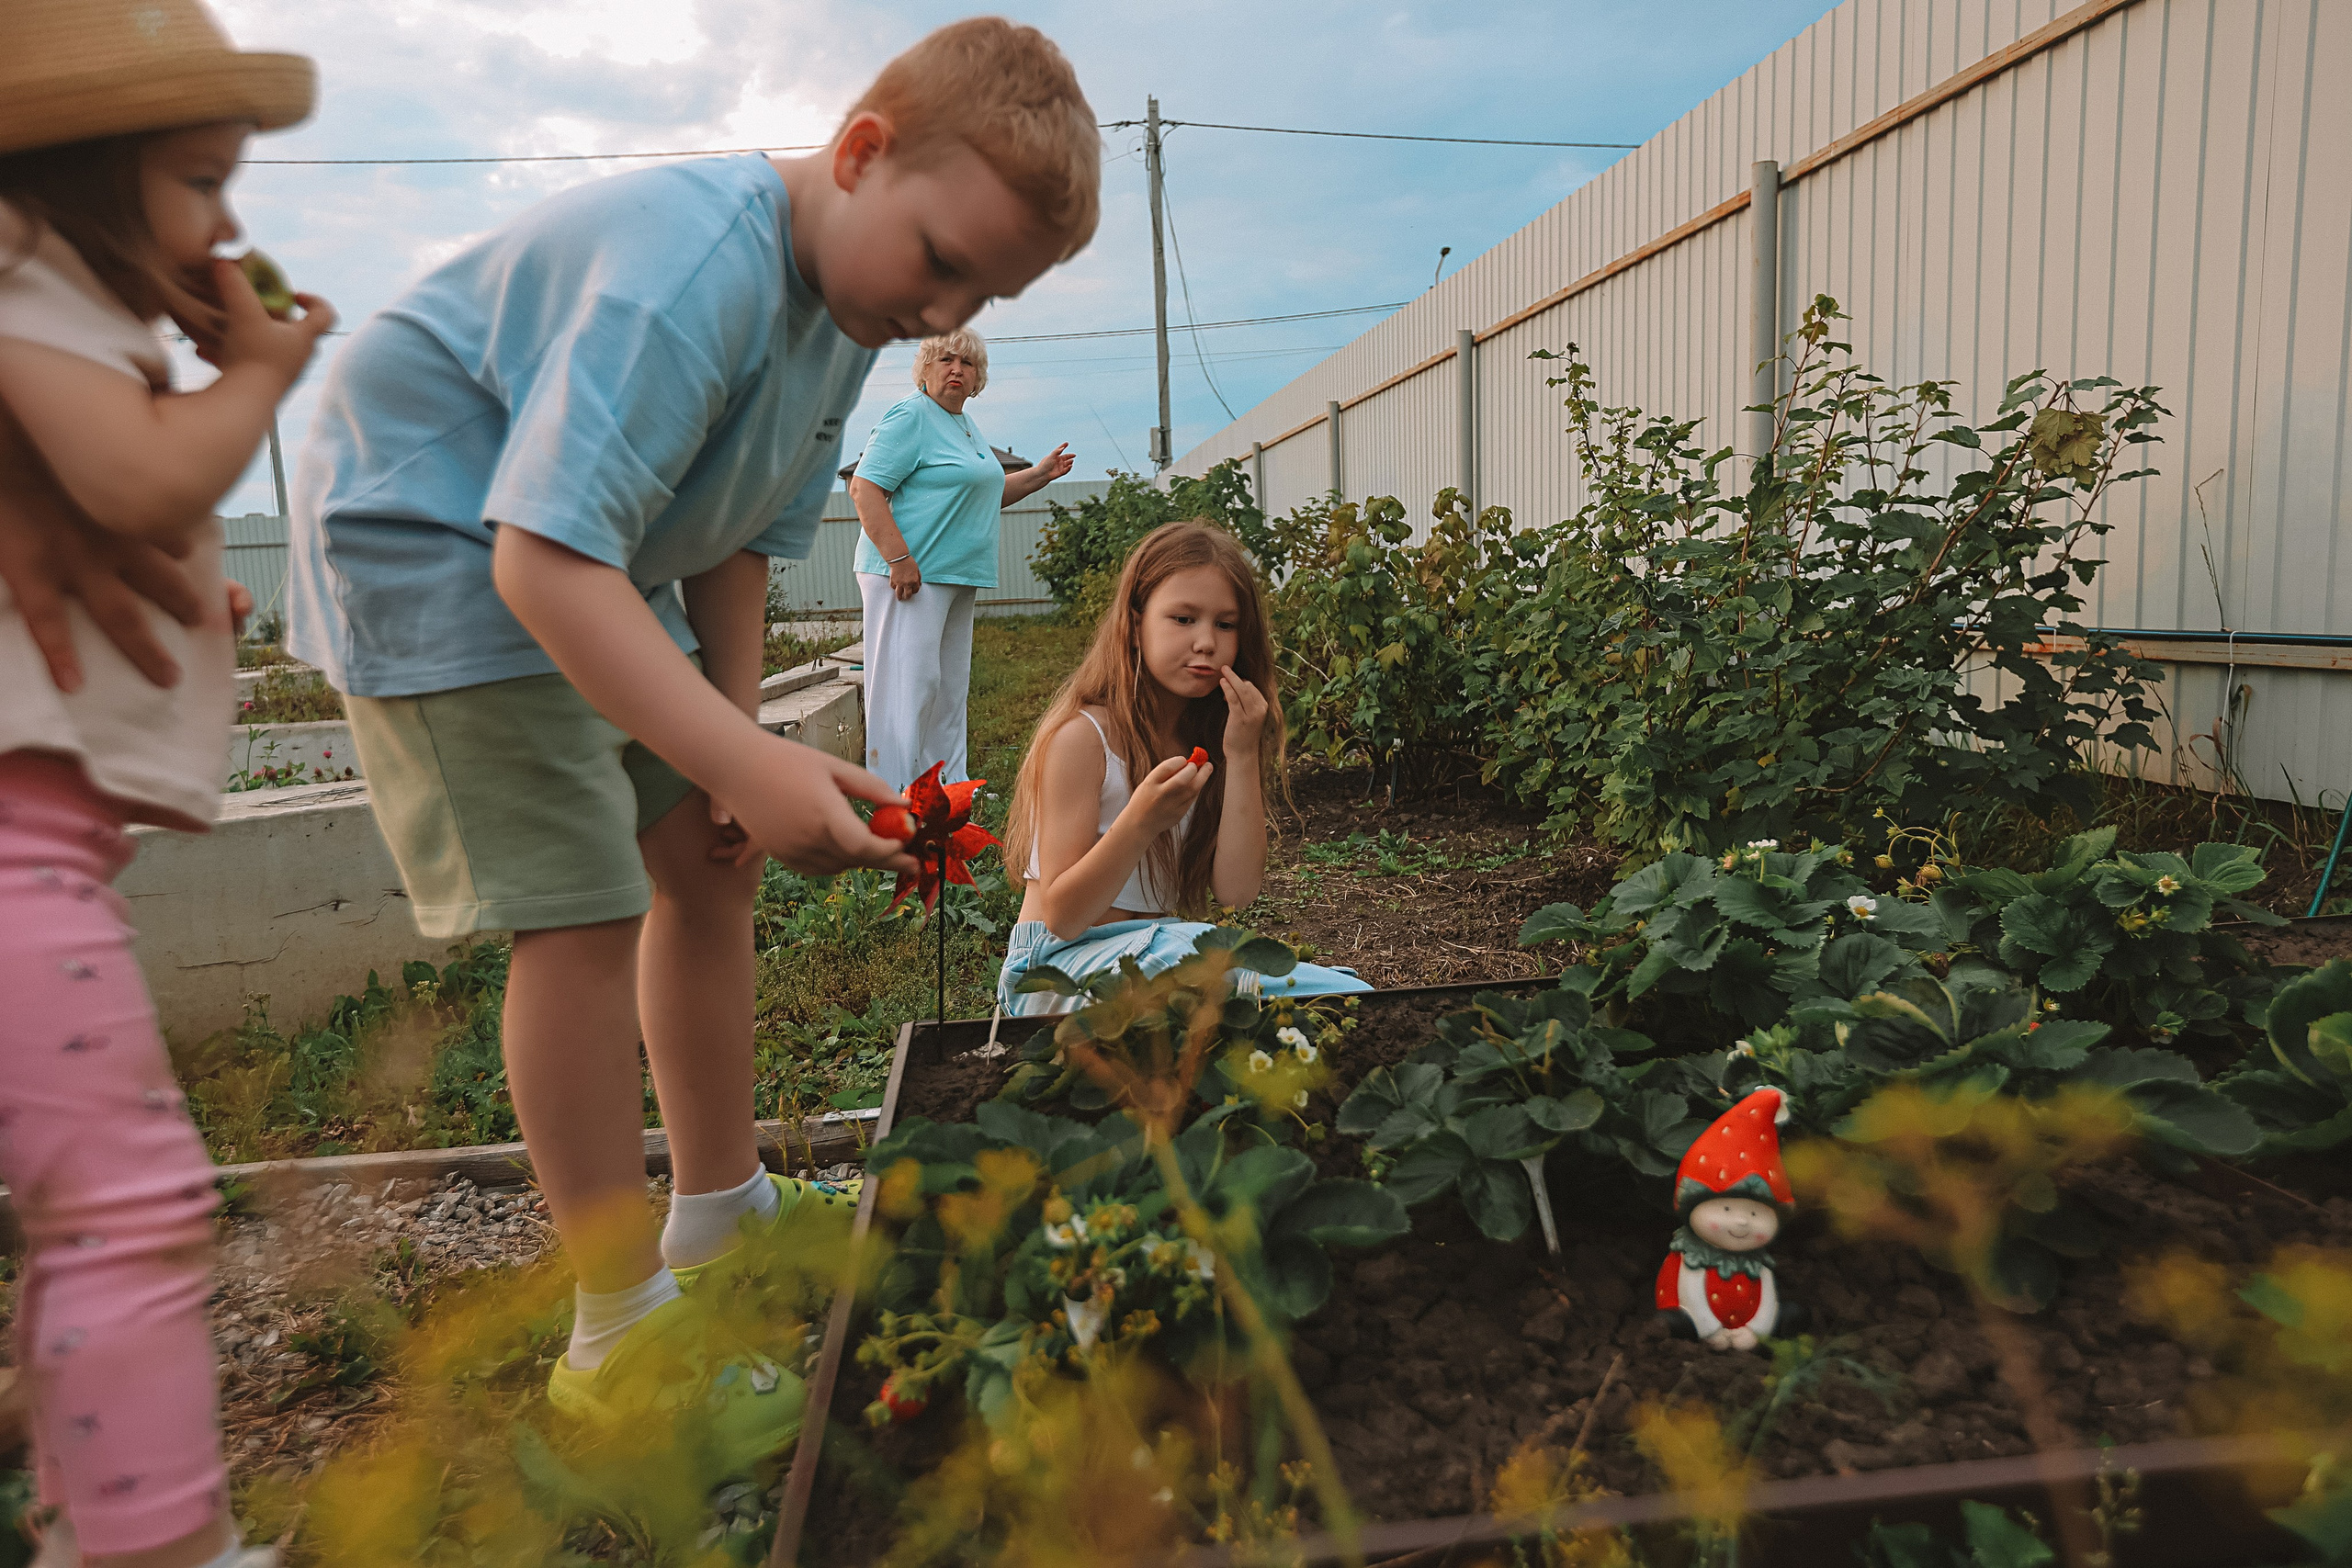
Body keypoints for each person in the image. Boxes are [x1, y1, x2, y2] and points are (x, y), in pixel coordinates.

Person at [282, 17, 1101, 1468]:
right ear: (858, 154)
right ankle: (621, 1333)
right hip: (431, 539)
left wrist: (728, 747)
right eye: (940, 261)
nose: (944, 311)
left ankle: (720, 1210)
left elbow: (733, 549)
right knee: (585, 904)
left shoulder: (838, 315)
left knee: (704, 866)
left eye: (983, 291)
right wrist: (737, 754)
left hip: (585, 552)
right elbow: (540, 559)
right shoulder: (693, 275)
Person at [0, 3, 335, 1564]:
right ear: (66, 180)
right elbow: (147, 478)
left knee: (90, 1216)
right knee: (134, 1207)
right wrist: (258, 372)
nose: (232, 221)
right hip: (12, 860)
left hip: (43, 854)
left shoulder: (69, 324)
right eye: (201, 179)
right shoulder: (22, 273)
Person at [998, 521, 1372, 1014]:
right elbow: (1064, 917)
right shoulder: (1082, 738)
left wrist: (1240, 755)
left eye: (1225, 624)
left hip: (1156, 950)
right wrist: (1141, 821)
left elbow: (1236, 891)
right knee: (1226, 973)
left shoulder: (1207, 743)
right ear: (1135, 625)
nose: (1205, 642)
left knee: (1343, 993)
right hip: (1056, 968)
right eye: (1182, 619)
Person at [848, 327, 1073, 788]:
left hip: (951, 574)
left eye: (967, 363)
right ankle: (894, 793)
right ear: (924, 371)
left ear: (977, 379)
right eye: (946, 359)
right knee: (908, 687)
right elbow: (865, 487)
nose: (957, 369)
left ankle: (948, 789)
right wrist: (899, 559)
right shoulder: (911, 417)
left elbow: (986, 494)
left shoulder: (964, 425)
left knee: (948, 688)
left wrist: (1041, 474)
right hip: (908, 573)